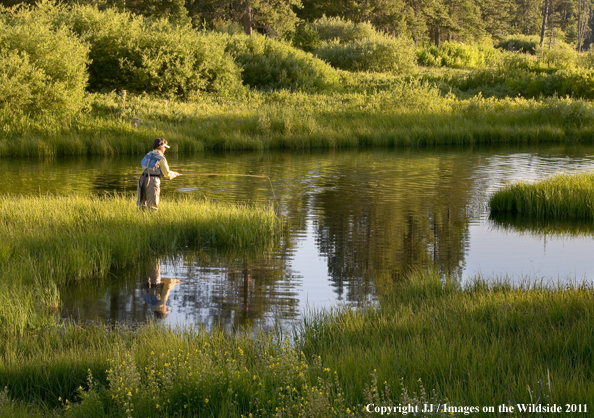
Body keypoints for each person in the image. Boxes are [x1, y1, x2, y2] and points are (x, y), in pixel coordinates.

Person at [137, 138, 180, 211]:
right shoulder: (161, 157)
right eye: (165, 147)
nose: (165, 149)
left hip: (142, 179)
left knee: (141, 205)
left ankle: (140, 220)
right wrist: (175, 174)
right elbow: (166, 173)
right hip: (152, 181)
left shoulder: (148, 154)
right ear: (161, 147)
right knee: (152, 207)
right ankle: (153, 221)